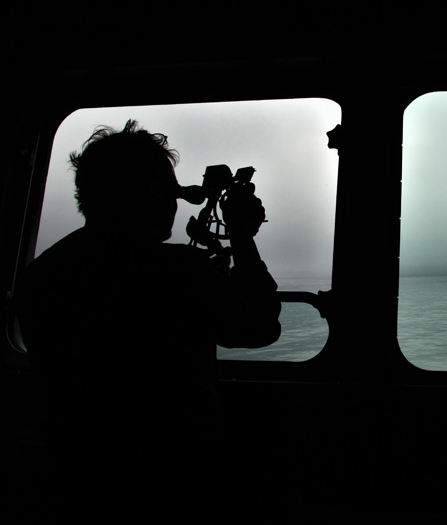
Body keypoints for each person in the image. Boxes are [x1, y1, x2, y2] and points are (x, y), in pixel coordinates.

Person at [15, 120, 281, 517]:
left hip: (80, 479)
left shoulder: (43, 274)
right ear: (146, 195)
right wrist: (242, 236)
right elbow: (259, 327)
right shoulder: (177, 272)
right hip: (177, 483)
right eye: (167, 190)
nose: (176, 201)